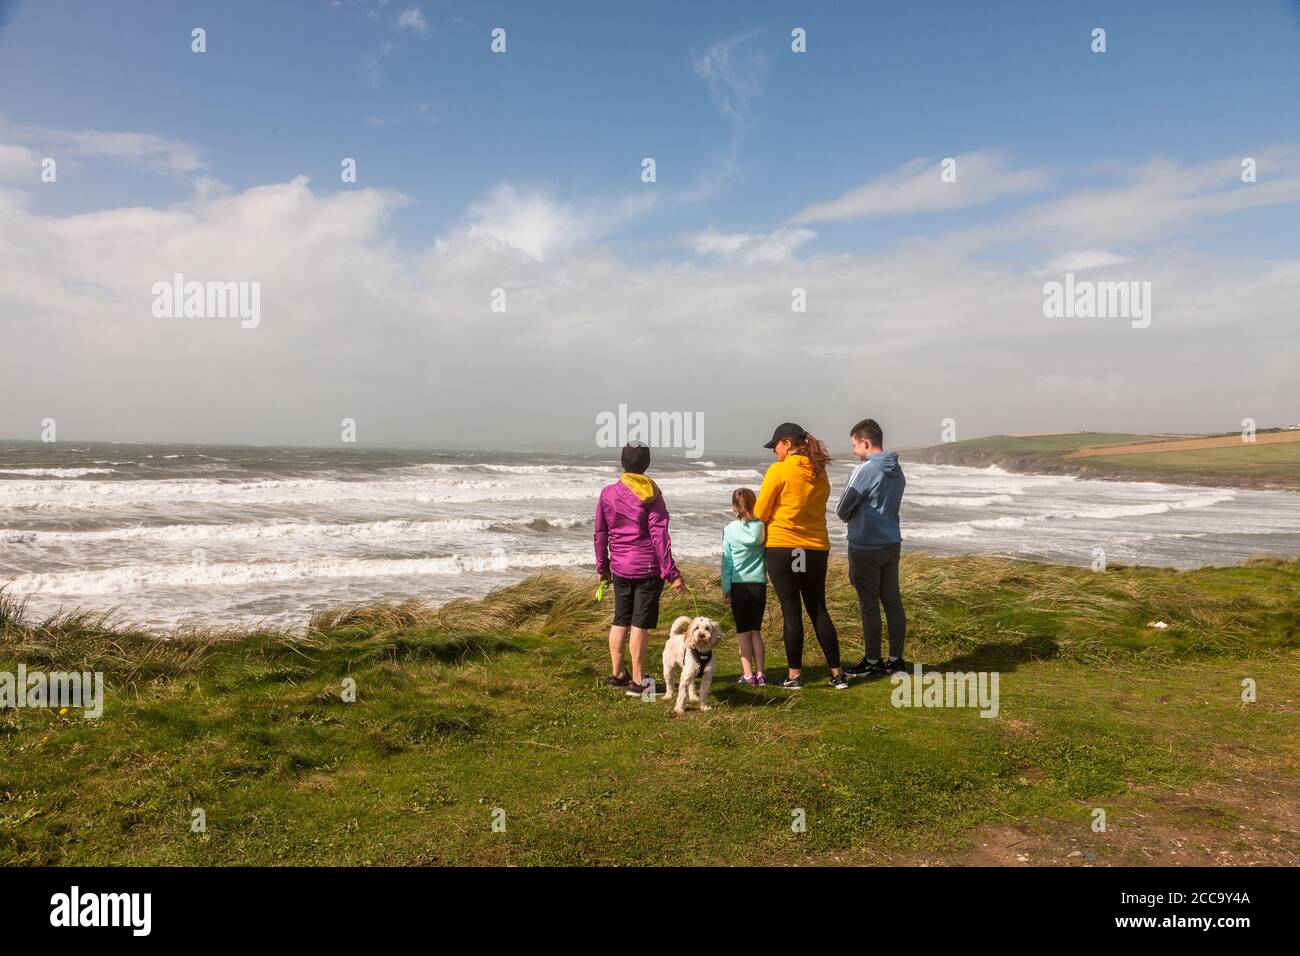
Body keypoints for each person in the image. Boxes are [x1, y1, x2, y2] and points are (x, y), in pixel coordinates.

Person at [753, 423, 847, 690]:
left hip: (784, 546)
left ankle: (794, 676)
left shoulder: (779, 470)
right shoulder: (820, 471)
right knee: (818, 608)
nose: (774, 451)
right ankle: (837, 674)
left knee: (791, 612)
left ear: (787, 443)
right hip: (815, 547)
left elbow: (760, 512)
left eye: (776, 446)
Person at [594, 442, 686, 697]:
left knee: (620, 618)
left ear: (623, 463)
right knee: (639, 624)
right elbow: (659, 535)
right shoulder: (652, 494)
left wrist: (602, 567)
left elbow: (600, 533)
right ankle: (637, 682)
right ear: (646, 464)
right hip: (647, 567)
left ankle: (617, 673)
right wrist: (671, 573)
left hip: (620, 566)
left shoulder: (608, 493)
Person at [836, 418, 908, 678]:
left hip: (865, 545)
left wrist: (855, 516)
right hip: (891, 542)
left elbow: (842, 508)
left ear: (865, 442)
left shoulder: (865, 469)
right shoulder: (897, 469)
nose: (854, 450)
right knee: (892, 601)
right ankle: (896, 659)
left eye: (855, 445)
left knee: (869, 604)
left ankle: (872, 660)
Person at [721, 487, 767, 686]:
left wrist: (725, 586)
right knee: (756, 631)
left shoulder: (729, 530)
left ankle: (748, 675)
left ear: (734, 507)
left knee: (743, 632)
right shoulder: (762, 527)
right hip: (758, 584)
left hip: (739, 586)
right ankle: (761, 674)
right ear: (754, 504)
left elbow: (727, 562)